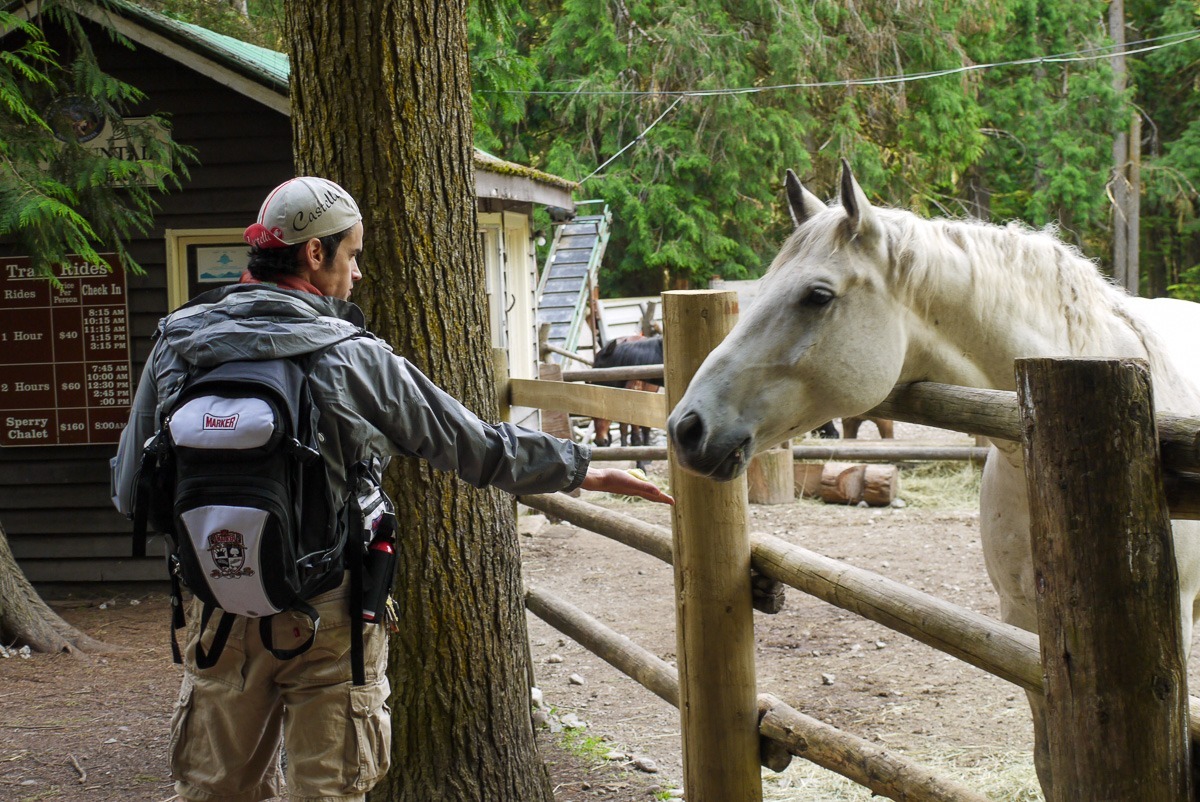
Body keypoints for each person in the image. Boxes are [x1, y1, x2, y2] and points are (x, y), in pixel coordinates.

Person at [110, 176, 673, 802]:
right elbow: (475, 446)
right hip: (329, 612)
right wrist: (579, 467)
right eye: (351, 255)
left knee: (216, 792)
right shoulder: (349, 355)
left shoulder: (177, 344)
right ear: (314, 254)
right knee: (330, 792)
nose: (358, 275)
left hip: (215, 608)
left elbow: (130, 490)